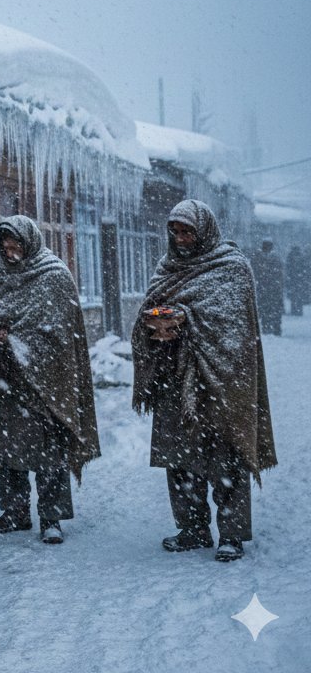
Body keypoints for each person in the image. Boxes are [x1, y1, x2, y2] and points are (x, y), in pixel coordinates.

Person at [132, 199, 277, 562]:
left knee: (225, 459)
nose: (181, 239)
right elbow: (145, 317)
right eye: (175, 232)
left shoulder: (230, 268)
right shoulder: (167, 268)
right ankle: (193, 529)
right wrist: (155, 328)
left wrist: (188, 320)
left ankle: (231, 534)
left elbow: (234, 329)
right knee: (180, 460)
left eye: (188, 231)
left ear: (205, 231)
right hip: (173, 383)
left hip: (220, 384)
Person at [0, 215, 100, 544]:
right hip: (7, 381)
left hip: (45, 383)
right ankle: (15, 512)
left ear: (29, 241)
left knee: (48, 453)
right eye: (4, 244)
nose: (9, 249)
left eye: (15, 243)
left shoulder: (54, 276)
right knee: (6, 452)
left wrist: (16, 338)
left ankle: (52, 516)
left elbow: (58, 334)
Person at [250, 239, 285, 336]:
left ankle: (267, 327)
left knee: (267, 308)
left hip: (264, 288)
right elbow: (280, 275)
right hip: (273, 288)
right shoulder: (276, 258)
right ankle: (275, 328)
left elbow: (254, 273)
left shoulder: (256, 258)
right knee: (274, 309)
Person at [286, 244, 306, 316]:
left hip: (293, 280)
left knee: (294, 296)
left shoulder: (290, 256)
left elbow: (288, 268)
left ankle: (294, 310)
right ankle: (299, 311)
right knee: (299, 296)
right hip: (299, 280)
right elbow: (304, 269)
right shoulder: (301, 257)